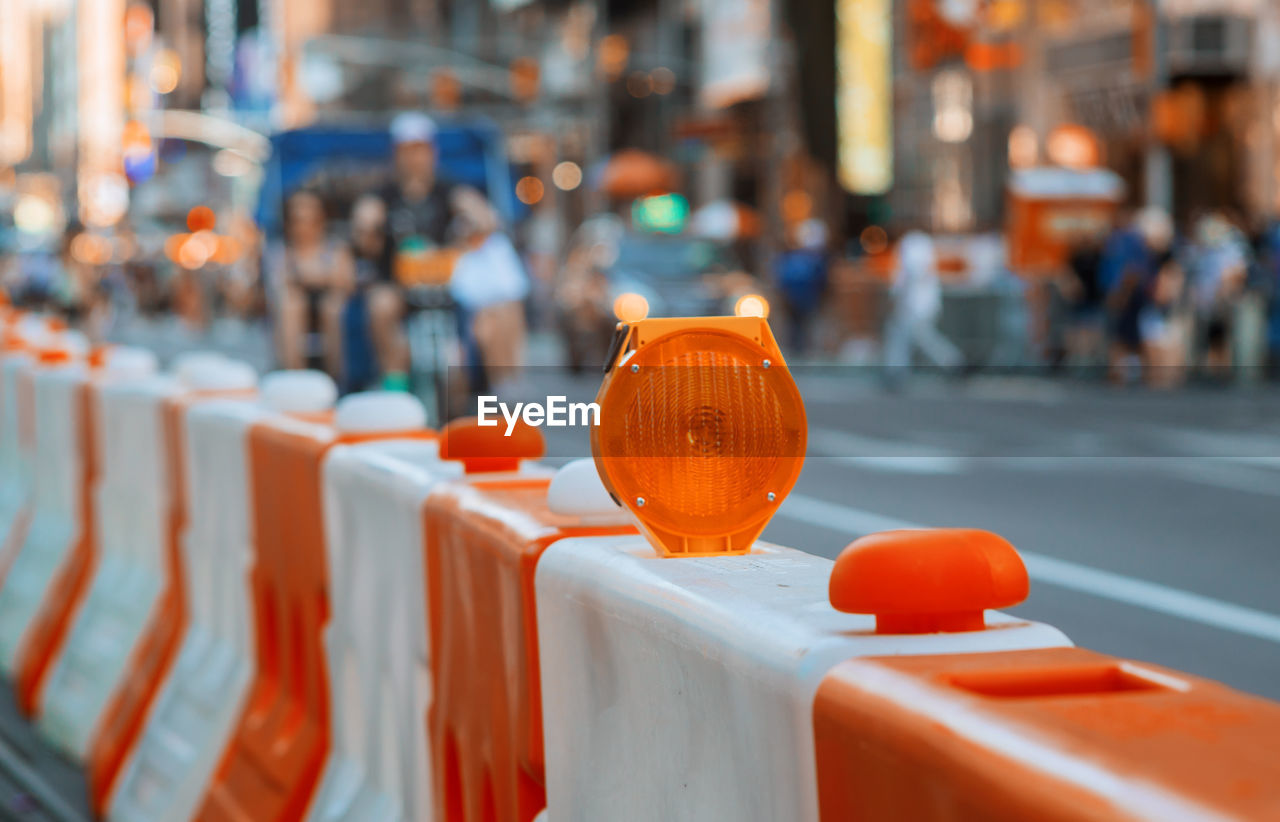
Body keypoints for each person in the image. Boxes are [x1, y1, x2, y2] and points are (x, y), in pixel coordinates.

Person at [367, 111, 500, 391]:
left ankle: (488, 387)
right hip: (400, 286)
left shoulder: (448, 189)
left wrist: (476, 221)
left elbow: (484, 216)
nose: (415, 158)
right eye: (408, 151)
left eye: (421, 150)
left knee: (490, 314)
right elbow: (366, 217)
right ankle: (392, 379)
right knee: (380, 305)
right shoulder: (385, 193)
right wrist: (368, 223)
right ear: (396, 154)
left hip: (445, 285)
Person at [267, 188, 354, 376]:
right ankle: (294, 376)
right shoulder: (280, 251)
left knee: (332, 307)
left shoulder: (336, 248)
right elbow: (277, 284)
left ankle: (335, 379)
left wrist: (313, 278)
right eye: (298, 218)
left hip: (328, 308)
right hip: (294, 309)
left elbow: (346, 282)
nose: (304, 224)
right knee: (291, 304)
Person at [882, 231, 963, 382]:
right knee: (902, 337)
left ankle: (952, 362)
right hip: (919, 304)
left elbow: (907, 275)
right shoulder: (922, 246)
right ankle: (895, 371)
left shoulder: (911, 244)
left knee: (921, 338)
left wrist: (897, 296)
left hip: (913, 305)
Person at [776, 218, 829, 353]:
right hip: (799, 297)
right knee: (797, 326)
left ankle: (802, 348)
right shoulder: (798, 258)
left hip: (804, 297)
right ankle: (799, 348)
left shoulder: (814, 260)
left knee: (803, 326)